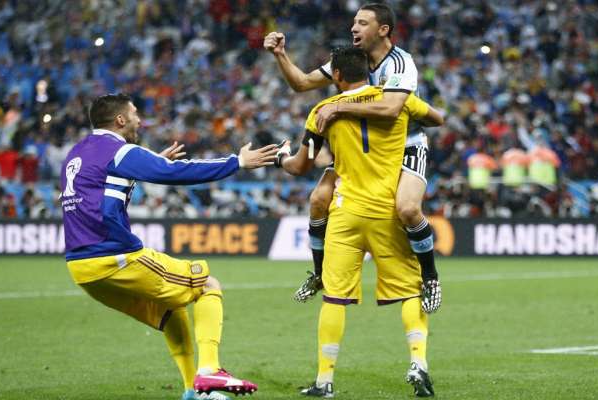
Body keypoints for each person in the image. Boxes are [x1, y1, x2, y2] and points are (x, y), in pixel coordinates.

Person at [61, 94, 278, 400]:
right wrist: (237, 162)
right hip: (114, 257)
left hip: (82, 269)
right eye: (134, 114)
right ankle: (210, 371)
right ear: (120, 120)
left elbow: (103, 194)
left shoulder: (77, 153)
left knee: (171, 310)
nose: (140, 120)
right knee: (206, 285)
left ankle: (193, 391)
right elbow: (173, 174)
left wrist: (152, 162)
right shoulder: (119, 151)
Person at [276, 47, 443, 398]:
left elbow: (300, 166)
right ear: (370, 71)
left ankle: (324, 381)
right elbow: (435, 117)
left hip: (346, 214)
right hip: (386, 213)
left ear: (336, 75)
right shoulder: (397, 101)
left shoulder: (321, 111)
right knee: (410, 292)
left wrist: (278, 156)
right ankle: (418, 363)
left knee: (334, 299)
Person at [264, 3, 442, 313]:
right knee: (318, 199)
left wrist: (337, 107)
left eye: (362, 23)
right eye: (354, 22)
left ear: (382, 30)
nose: (353, 28)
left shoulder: (401, 64)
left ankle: (430, 277)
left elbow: (389, 109)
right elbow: (302, 83)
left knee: (408, 208)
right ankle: (319, 274)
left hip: (406, 144)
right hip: (363, 150)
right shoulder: (352, 60)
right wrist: (280, 55)